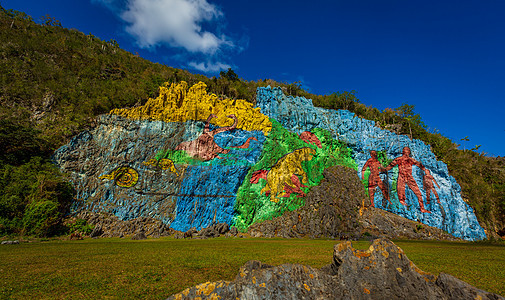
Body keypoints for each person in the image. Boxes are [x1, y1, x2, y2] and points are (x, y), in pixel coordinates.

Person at [384, 147, 431, 213]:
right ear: (403, 151)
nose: (406, 151)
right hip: (401, 176)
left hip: (409, 177)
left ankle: (422, 208)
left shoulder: (411, 160)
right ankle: (401, 201)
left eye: (407, 150)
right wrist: (384, 169)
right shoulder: (399, 159)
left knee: (418, 193)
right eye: (404, 150)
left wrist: (425, 169)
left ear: (409, 152)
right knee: (400, 190)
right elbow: (390, 165)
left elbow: (419, 164)